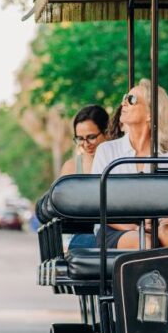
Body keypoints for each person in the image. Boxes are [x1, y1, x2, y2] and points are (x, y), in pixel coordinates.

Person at [91, 79, 168, 249]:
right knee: (144, 242)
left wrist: (161, 225)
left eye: (131, 99)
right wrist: (136, 227)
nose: (123, 103)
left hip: (157, 225)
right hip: (116, 227)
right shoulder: (107, 151)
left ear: (150, 113)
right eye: (125, 97)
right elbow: (98, 205)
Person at [60, 105, 109, 250]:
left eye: (91, 137)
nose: (86, 144)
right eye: (80, 139)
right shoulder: (71, 167)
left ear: (106, 132)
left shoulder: (118, 160)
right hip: (81, 233)